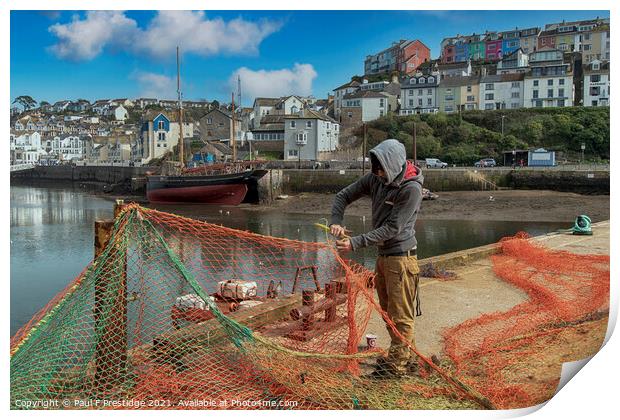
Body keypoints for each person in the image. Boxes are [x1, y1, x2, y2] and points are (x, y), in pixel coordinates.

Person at [329, 139, 424, 378]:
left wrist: (355, 242)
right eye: (376, 168)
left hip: (401, 259)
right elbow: (343, 196)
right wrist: (336, 221)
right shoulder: (375, 178)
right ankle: (408, 359)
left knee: (401, 317)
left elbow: (393, 228)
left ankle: (395, 368)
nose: (379, 173)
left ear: (393, 164)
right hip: (383, 256)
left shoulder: (411, 189)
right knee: (389, 313)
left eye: (382, 168)